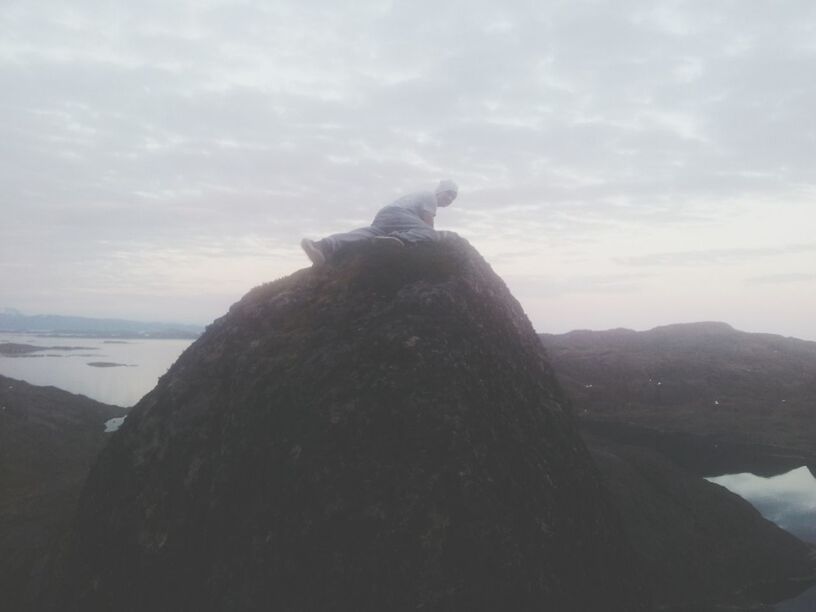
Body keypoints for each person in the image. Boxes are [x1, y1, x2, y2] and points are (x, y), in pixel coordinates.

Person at [300, 180, 458, 265]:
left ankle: (322, 245)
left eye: (453, 197)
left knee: (368, 234)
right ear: (439, 191)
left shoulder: (420, 196)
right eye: (448, 194)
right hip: (400, 215)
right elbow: (428, 226)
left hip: (386, 214)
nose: (450, 199)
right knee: (432, 234)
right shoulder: (429, 197)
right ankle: (399, 239)